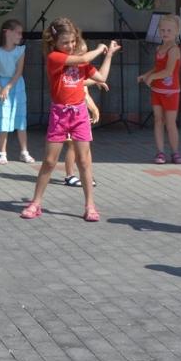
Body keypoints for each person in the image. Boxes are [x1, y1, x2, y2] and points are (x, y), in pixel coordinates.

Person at [20, 18, 118, 222]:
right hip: (60, 114)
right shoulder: (54, 58)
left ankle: (90, 205)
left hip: (79, 115)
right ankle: (36, 203)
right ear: (54, 42)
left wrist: (108, 55)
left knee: (84, 161)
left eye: (73, 41)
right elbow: (83, 59)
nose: (70, 45)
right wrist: (98, 49)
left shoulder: (82, 63)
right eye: (65, 42)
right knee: (49, 161)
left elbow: (101, 77)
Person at [138, 14, 181, 164]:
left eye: (169, 30)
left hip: (171, 92)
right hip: (157, 90)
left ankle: (175, 152)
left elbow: (168, 71)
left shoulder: (174, 50)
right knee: (158, 120)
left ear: (177, 31)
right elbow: (158, 67)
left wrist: (151, 77)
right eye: (163, 30)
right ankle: (160, 152)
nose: (165, 33)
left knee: (170, 123)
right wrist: (146, 75)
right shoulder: (159, 48)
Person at [0, 19, 33, 165]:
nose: (21, 36)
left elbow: (18, 72)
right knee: (3, 118)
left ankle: (24, 152)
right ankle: (2, 153)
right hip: (2, 85)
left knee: (21, 119)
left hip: (17, 86)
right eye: (18, 33)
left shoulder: (20, 51)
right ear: (7, 32)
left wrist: (7, 87)